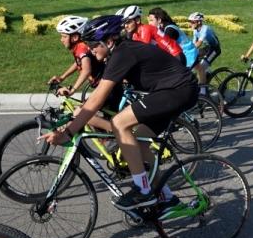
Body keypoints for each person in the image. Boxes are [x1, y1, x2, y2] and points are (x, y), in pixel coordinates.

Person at [43, 14, 198, 213]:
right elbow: (101, 95)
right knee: (138, 140)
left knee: (119, 123)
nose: (90, 49)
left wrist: (68, 132)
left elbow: (97, 97)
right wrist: (76, 119)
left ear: (109, 41)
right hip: (174, 90)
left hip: (179, 90)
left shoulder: (123, 53)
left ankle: (143, 190)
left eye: (93, 44)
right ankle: (166, 197)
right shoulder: (119, 53)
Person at [116, 4, 181, 58]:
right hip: (167, 57)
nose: (126, 26)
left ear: (138, 20)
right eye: (125, 23)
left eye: (128, 22)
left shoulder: (146, 29)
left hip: (176, 55)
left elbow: (143, 52)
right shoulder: (135, 35)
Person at [187, 12, 221, 90]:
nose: (190, 24)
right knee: (195, 61)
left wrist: (190, 50)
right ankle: (207, 73)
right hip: (208, 48)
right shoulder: (195, 30)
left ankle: (203, 92)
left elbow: (199, 43)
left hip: (215, 49)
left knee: (201, 68)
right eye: (189, 21)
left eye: (192, 22)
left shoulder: (205, 29)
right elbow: (194, 43)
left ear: (199, 22)